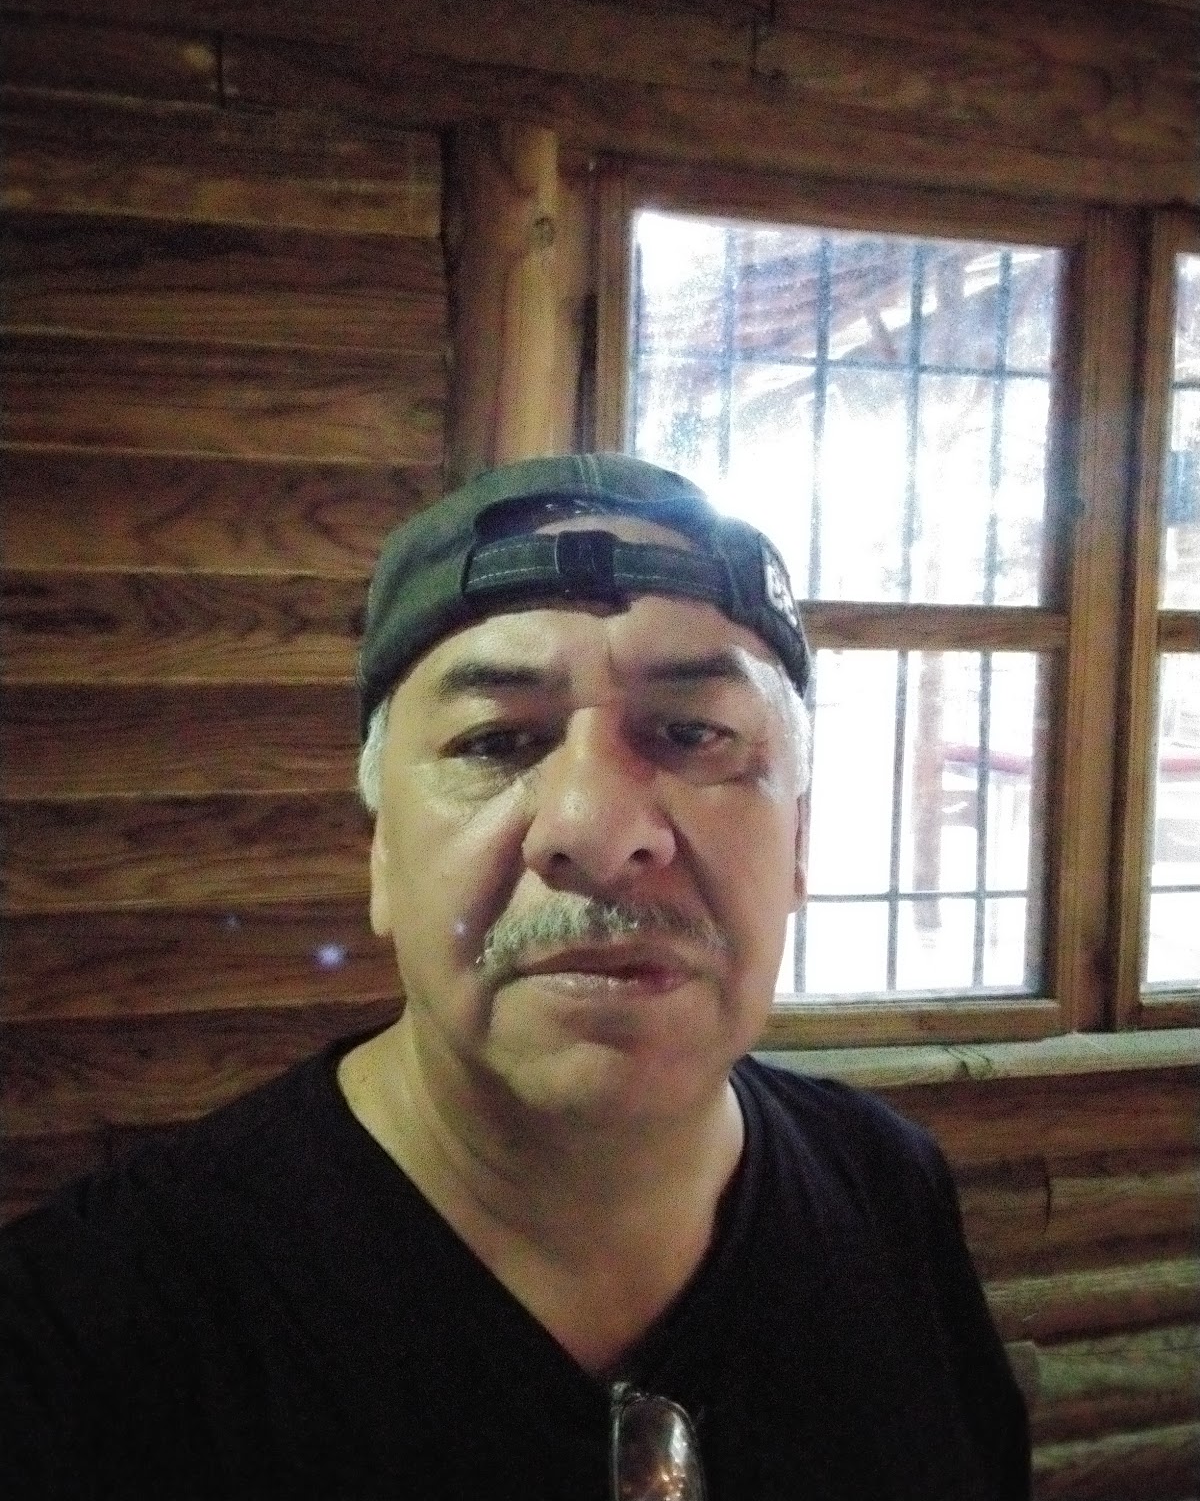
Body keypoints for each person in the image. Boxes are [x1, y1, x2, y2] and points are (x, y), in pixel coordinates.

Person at [1, 454, 1031, 1499]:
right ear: (380, 853)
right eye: (495, 741)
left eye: (692, 733)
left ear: (799, 841)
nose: (596, 831)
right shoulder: (85, 1339)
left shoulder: (887, 1192)